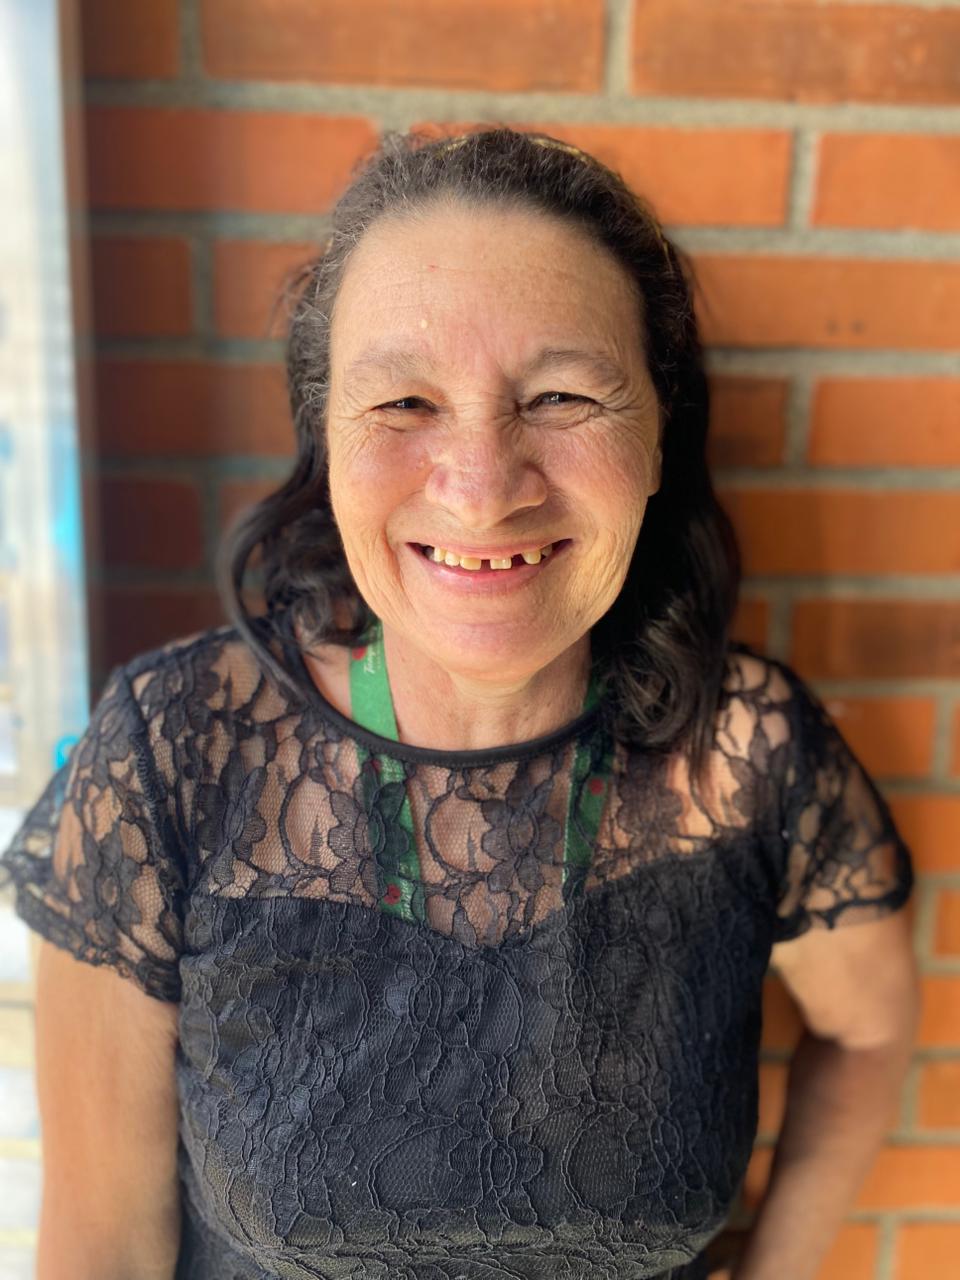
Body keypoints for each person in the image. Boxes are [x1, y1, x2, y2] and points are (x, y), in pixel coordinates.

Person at [0, 127, 918, 1280]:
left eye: (561, 395)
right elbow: (100, 1245)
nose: (482, 490)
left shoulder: (746, 757)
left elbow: (868, 1027)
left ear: (656, 437)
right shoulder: (172, 755)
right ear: (326, 442)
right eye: (404, 401)